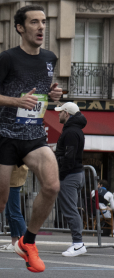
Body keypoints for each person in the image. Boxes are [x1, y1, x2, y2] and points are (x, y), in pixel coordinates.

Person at [0, 5, 63, 278]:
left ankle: (29, 240)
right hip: (6, 137)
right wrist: (15, 101)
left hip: (34, 135)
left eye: (44, 22)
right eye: (34, 22)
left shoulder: (50, 58)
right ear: (20, 28)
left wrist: (55, 92)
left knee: (51, 185)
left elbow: (45, 87)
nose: (41, 27)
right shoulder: (8, 58)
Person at [54, 101, 87, 257]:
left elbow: (69, 156)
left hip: (70, 175)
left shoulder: (71, 132)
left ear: (66, 113)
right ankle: (77, 242)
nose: (58, 114)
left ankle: (78, 243)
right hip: (75, 174)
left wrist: (61, 175)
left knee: (70, 210)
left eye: (60, 112)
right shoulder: (74, 130)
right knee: (71, 209)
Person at [0, 165, 29, 252]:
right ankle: (15, 242)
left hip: (14, 178)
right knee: (9, 213)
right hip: (11, 178)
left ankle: (26, 243)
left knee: (14, 212)